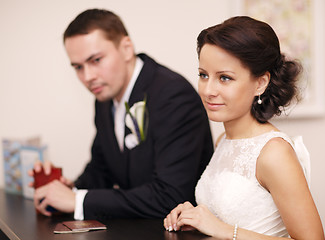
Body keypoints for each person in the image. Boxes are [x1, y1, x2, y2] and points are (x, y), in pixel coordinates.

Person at [29, 8, 213, 220]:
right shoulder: (104, 97)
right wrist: (68, 188)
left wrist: (78, 200)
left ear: (126, 48)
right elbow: (102, 169)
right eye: (78, 67)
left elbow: (170, 196)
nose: (88, 77)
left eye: (96, 60)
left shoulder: (173, 95)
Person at [163, 16, 325, 239]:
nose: (208, 90)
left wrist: (223, 230)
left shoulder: (274, 152)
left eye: (225, 78)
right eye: (203, 75)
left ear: (260, 83)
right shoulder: (223, 140)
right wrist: (195, 217)